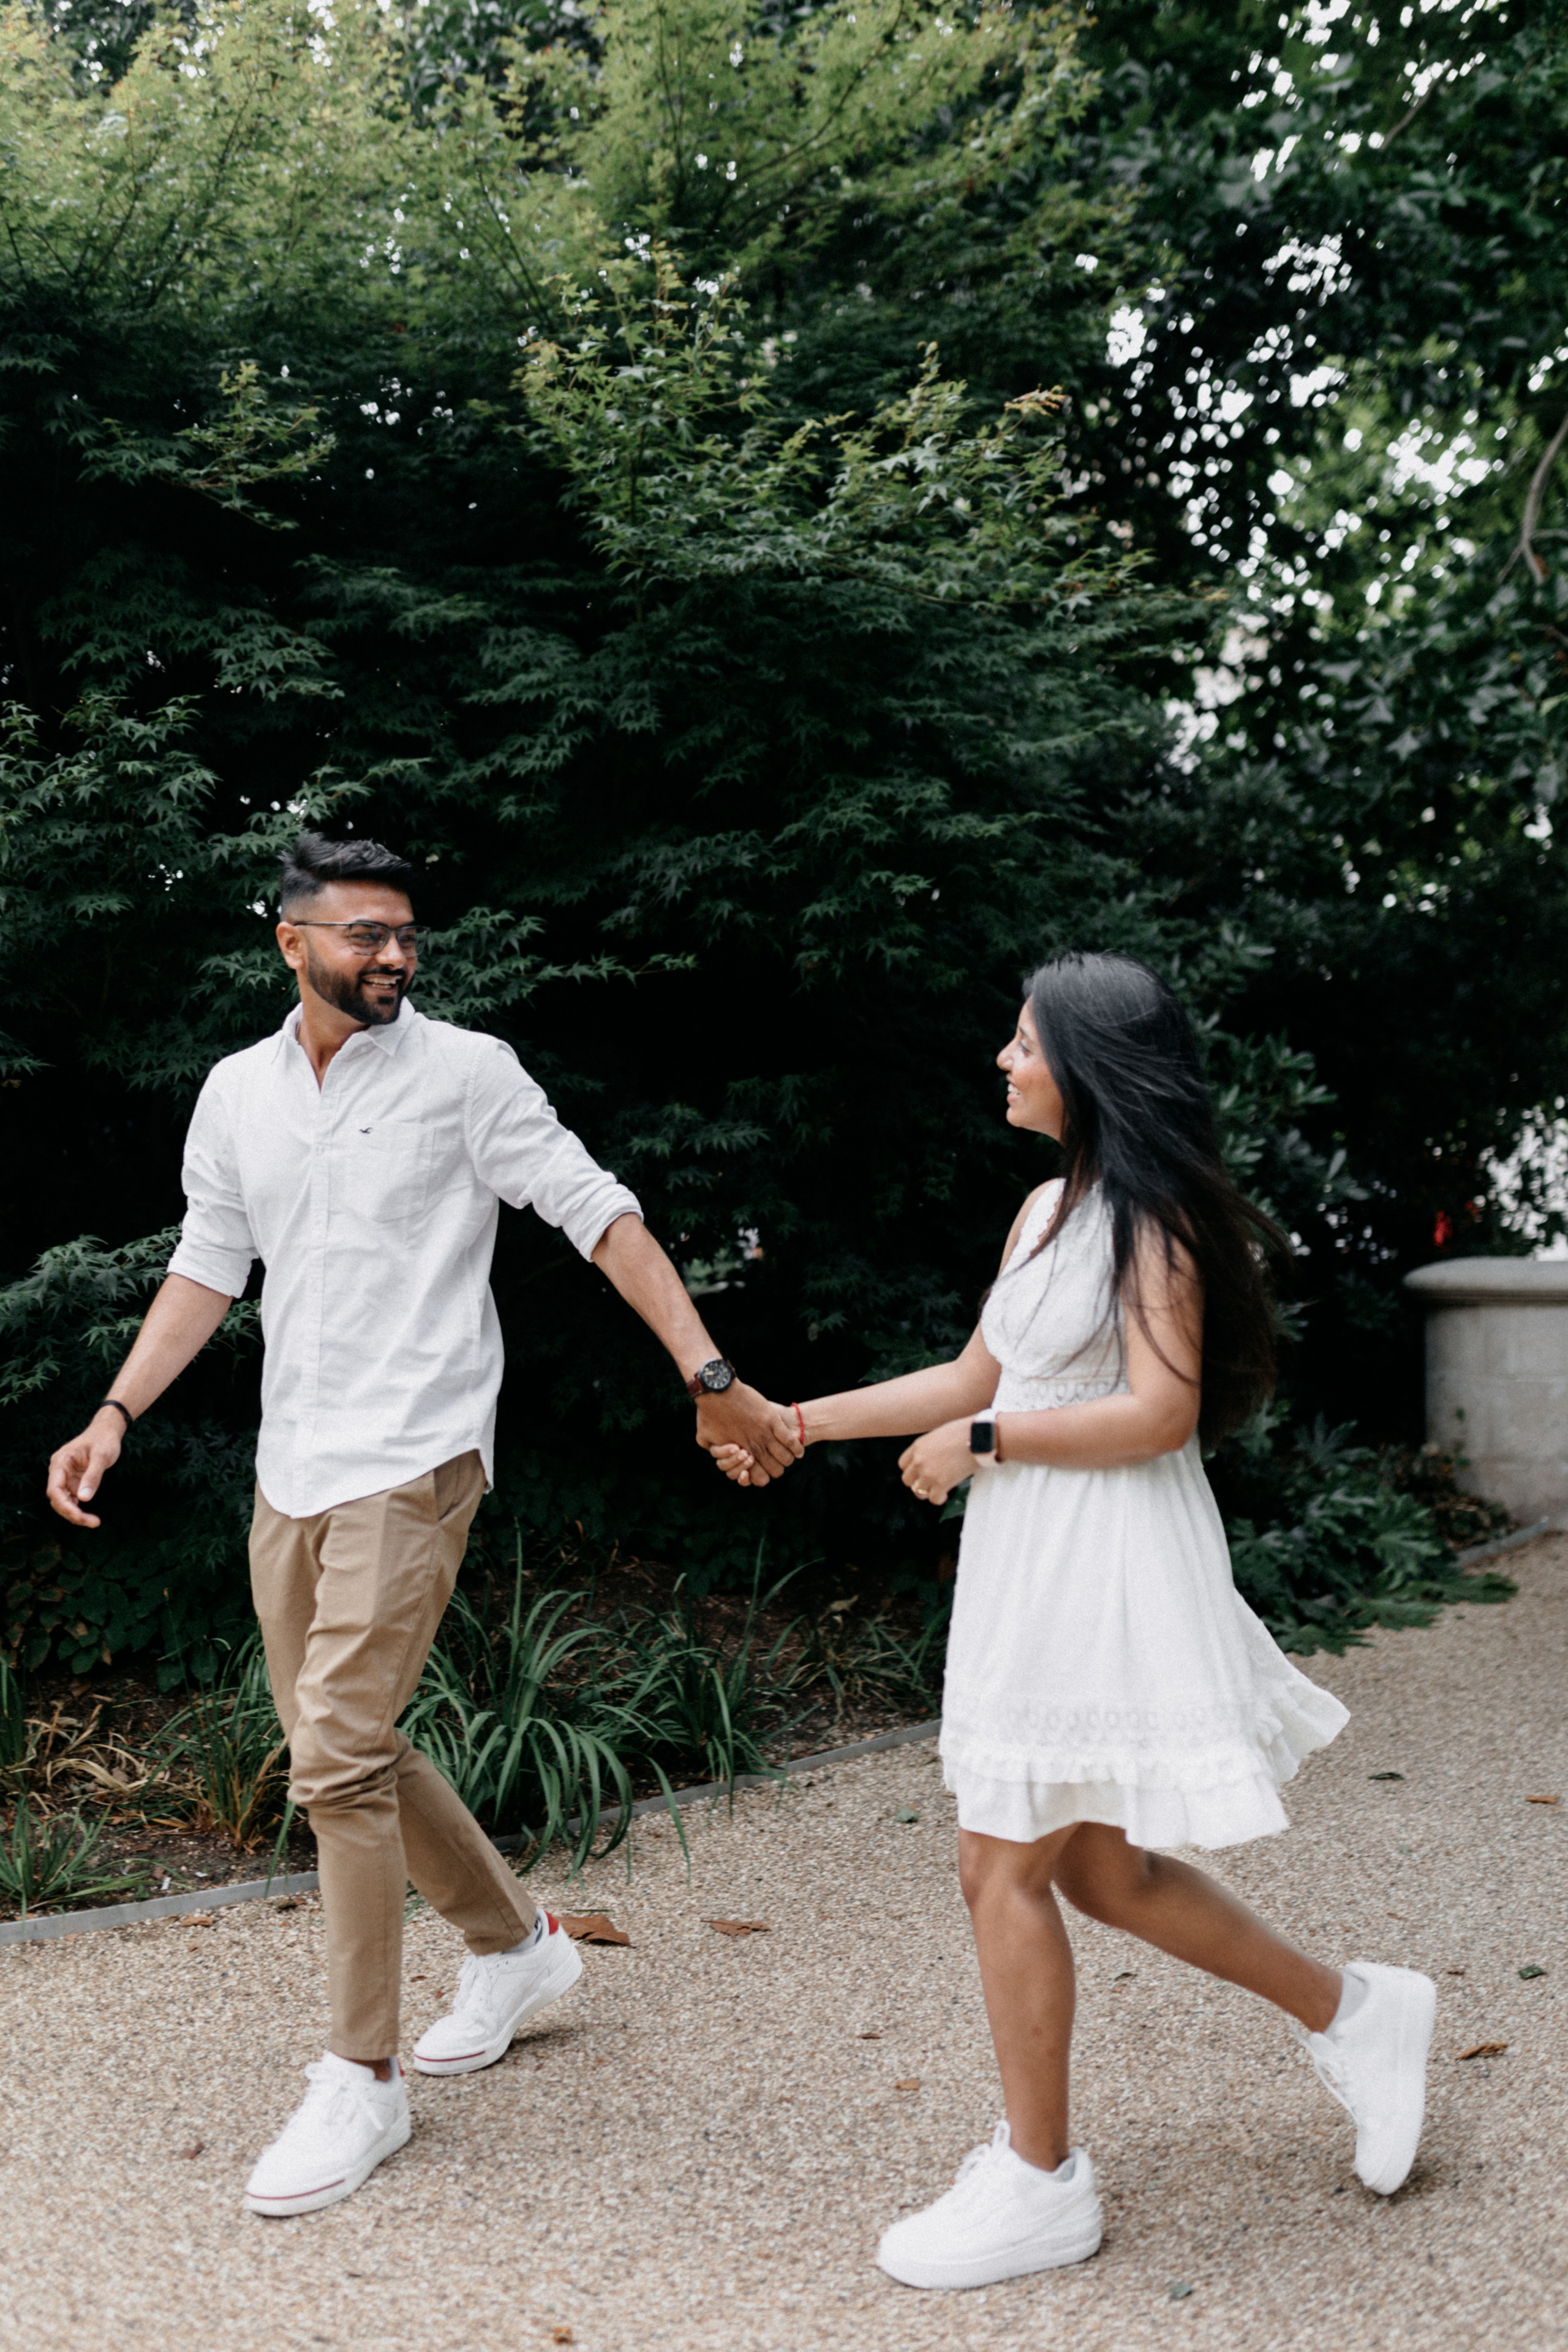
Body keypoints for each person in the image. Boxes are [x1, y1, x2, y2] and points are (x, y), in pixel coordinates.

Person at [46, 829, 800, 2219]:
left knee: (334, 1757)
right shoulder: (236, 1091)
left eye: (405, 933)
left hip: (418, 1452)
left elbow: (600, 1216)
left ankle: (363, 2077)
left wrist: (710, 1378)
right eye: (364, 933)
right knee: (349, 1745)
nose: (393, 954)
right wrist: (115, 1412)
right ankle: (517, 1946)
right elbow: (209, 1263)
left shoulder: (468, 1073)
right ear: (293, 943)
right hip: (294, 1462)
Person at [715, 950, 1435, 2291]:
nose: (1004, 1060)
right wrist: (795, 1421)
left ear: (1088, 1066)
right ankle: (1354, 2011)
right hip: (1035, 1557)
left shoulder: (1153, 1219)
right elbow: (970, 1376)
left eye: (1025, 1042)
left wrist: (987, 1441)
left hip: (1102, 1562)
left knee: (998, 1864)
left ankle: (1041, 2181)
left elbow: (1158, 1412)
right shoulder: (1048, 1208)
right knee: (1101, 1872)